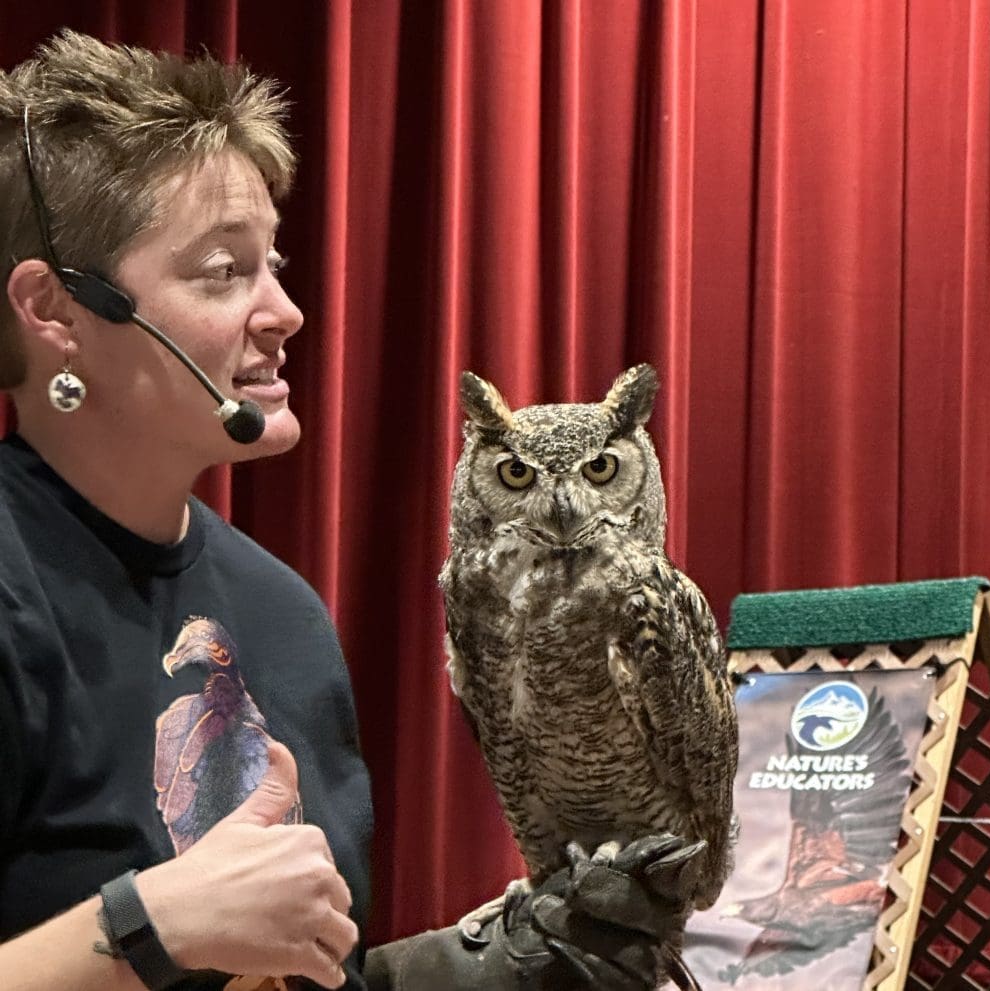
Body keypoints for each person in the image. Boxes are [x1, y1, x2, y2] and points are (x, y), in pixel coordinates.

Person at [0, 31, 693, 991]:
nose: (283, 309)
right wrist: (154, 921)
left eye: (273, 264)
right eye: (220, 271)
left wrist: (477, 969)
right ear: (58, 310)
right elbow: (184, 937)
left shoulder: (284, 615)